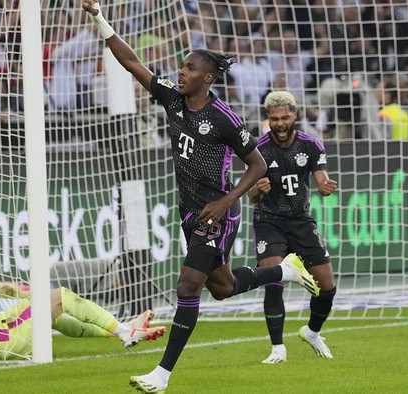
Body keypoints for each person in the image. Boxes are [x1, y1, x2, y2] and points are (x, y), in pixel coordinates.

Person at [81, 2, 320, 392]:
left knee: (187, 286)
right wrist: (99, 18)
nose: (181, 71)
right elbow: (130, 62)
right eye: (182, 66)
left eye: (190, 68)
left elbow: (258, 166)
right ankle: (285, 271)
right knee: (221, 288)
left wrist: (227, 202)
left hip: (217, 214)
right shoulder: (172, 99)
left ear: (207, 78)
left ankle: (162, 375)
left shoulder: (225, 117)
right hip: (189, 211)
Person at [0, 252, 166, 361]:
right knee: (58, 297)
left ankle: (121, 329)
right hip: (5, 344)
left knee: (49, 315)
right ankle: (123, 330)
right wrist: (34, 295)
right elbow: (3, 290)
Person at [247, 91, 338, 364]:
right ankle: (277, 347)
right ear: (268, 119)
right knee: (273, 281)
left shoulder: (311, 145)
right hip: (269, 221)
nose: (280, 123)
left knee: (327, 286)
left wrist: (324, 186)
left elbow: (322, 178)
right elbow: (249, 192)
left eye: (285, 117)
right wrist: (257, 190)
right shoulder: (257, 148)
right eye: (274, 119)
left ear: (295, 115)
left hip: (300, 220)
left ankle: (312, 332)